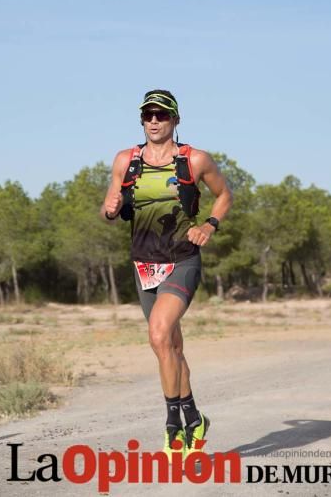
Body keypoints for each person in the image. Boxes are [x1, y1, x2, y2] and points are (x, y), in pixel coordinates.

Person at [100, 90, 233, 460]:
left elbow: (225, 195)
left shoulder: (195, 159)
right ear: (142, 121)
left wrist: (209, 224)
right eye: (147, 115)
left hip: (182, 259)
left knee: (158, 334)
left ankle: (173, 425)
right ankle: (195, 417)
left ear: (175, 119)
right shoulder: (126, 161)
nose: (154, 121)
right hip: (144, 264)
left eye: (161, 115)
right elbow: (109, 207)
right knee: (169, 347)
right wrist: (109, 210)